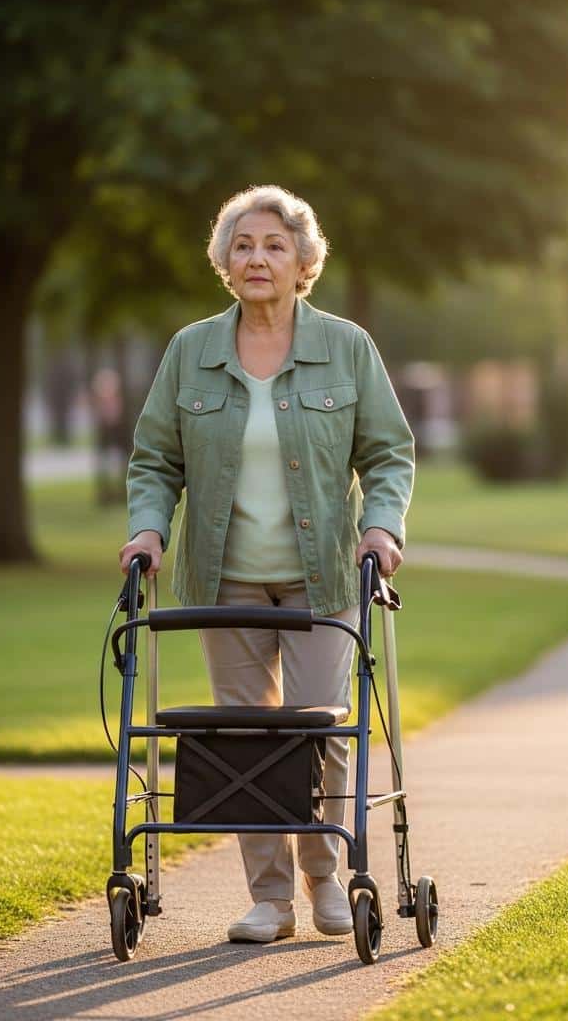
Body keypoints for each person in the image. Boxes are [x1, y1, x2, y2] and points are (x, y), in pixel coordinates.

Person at [119, 185, 415, 944]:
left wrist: (381, 530)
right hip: (226, 582)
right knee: (245, 737)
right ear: (225, 261)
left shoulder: (346, 347)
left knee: (321, 731)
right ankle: (271, 900)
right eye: (243, 245)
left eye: (274, 245)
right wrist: (148, 531)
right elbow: (155, 458)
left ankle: (326, 876)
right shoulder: (192, 350)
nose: (258, 258)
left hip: (323, 579)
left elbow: (388, 453)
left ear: (303, 261)